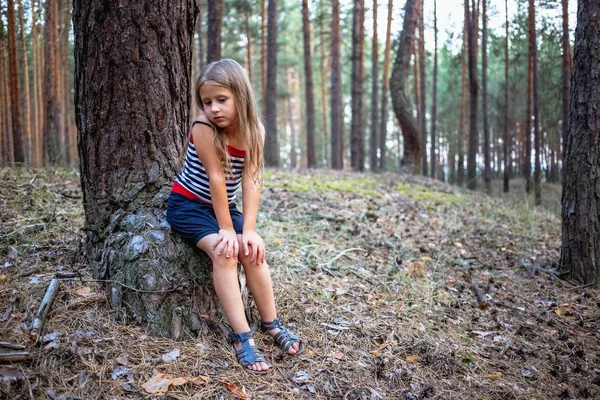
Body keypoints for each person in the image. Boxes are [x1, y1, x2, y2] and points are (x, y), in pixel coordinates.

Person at [166, 59, 302, 374]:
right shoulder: (203, 128)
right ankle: (242, 337)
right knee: (226, 253)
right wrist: (227, 230)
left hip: (225, 205)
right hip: (188, 205)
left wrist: (249, 230)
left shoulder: (255, 130)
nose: (213, 108)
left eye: (221, 100)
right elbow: (215, 178)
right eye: (207, 101)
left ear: (240, 96)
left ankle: (272, 323)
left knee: (252, 251)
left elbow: (252, 179)